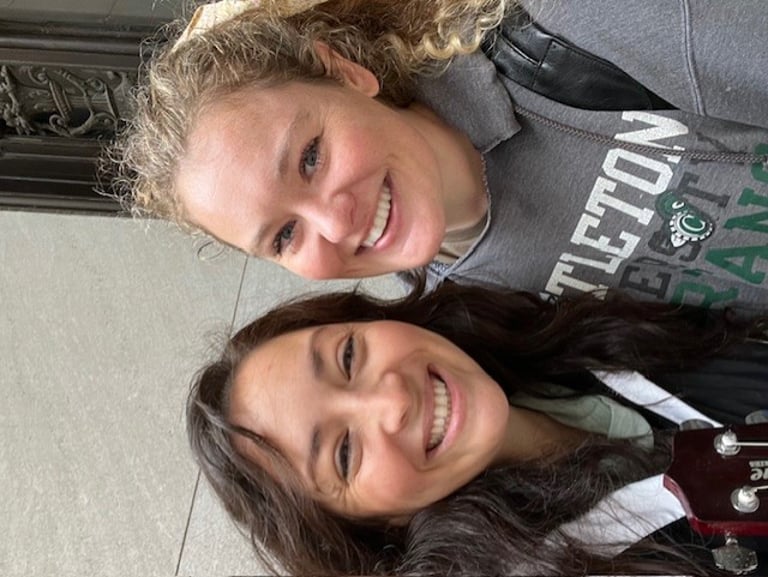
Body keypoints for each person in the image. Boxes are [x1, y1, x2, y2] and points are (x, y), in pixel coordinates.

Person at [111, 0, 768, 313]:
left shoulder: (577, 24)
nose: (335, 225)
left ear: (345, 74)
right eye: (284, 235)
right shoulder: (466, 325)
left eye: (310, 158)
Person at [187, 280, 767, 575]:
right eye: (343, 453)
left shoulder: (565, 322)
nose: (392, 399)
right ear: (370, 528)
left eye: (348, 356)